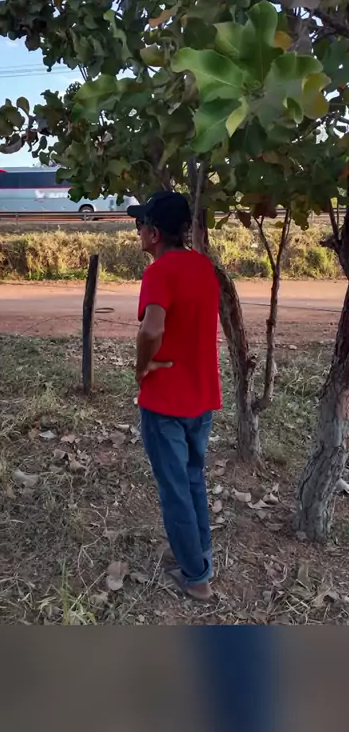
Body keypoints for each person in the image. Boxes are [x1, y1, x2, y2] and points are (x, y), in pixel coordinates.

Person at [127, 190, 221, 601]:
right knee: (193, 477)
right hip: (201, 396)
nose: (138, 232)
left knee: (174, 489)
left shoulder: (158, 272)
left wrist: (141, 365)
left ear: (153, 233)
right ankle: (198, 555)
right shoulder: (203, 266)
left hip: (165, 399)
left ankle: (195, 577)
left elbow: (152, 328)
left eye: (140, 225)